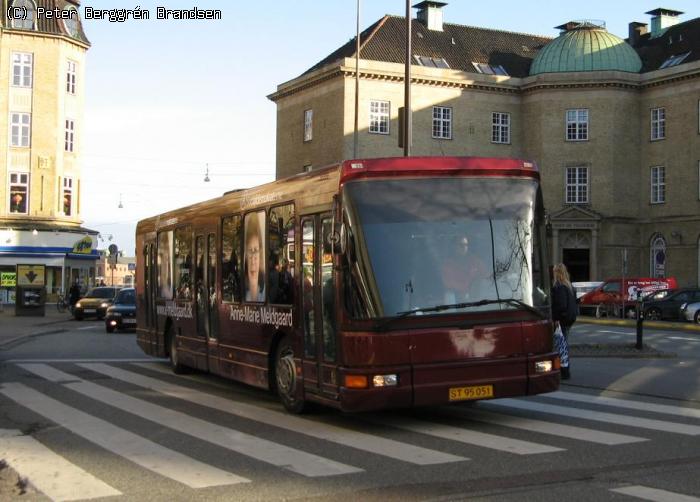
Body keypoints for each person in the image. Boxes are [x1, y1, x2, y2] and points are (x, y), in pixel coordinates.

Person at [440, 235, 488, 303]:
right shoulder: (448, 265)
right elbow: (449, 284)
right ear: (454, 247)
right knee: (449, 295)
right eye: (460, 245)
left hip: (476, 298)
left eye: (466, 245)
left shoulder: (475, 261)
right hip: (457, 301)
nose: (464, 247)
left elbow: (486, 277)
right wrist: (466, 289)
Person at [551, 263, 577, 380]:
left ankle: (563, 371)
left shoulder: (559, 286)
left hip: (562, 320)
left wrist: (556, 319)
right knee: (564, 344)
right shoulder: (569, 286)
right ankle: (564, 370)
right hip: (569, 319)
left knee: (560, 346)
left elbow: (560, 306)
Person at [244, 214, 265, 302]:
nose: (253, 259)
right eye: (250, 251)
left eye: (256, 250)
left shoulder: (265, 292)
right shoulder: (241, 291)